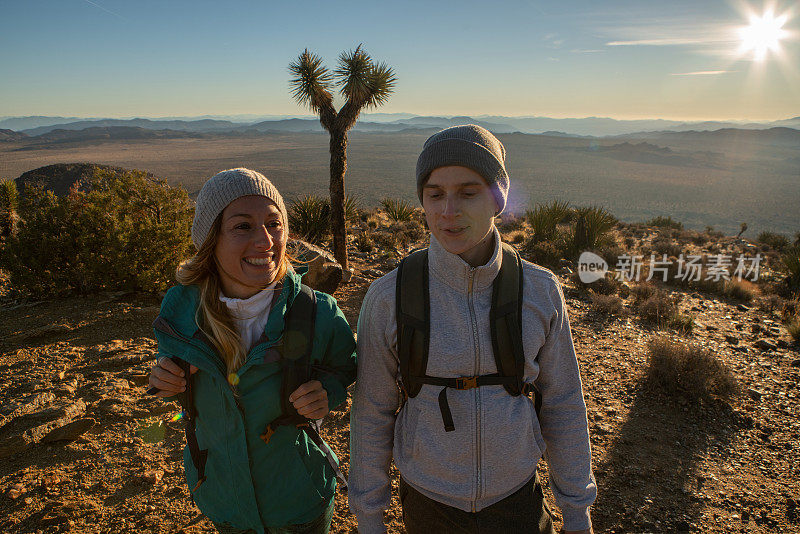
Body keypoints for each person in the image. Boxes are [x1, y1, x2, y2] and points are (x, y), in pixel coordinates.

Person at [349, 125, 596, 533]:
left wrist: (576, 512)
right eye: (435, 194)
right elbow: (372, 413)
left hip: (516, 496)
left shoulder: (539, 290)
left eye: (468, 192)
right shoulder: (389, 297)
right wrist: (370, 518)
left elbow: (564, 403)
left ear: (497, 198)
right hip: (430, 502)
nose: (448, 211)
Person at [147, 168, 357, 534]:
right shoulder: (181, 310)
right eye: (242, 226)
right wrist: (164, 377)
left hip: (298, 498)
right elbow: (176, 374)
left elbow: (345, 367)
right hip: (222, 497)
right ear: (210, 241)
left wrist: (328, 392)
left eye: (274, 224)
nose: (265, 241)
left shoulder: (316, 311)